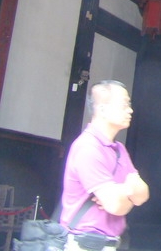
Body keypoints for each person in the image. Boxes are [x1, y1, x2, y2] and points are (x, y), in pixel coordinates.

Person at [60, 80, 150, 251]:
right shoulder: (88, 147)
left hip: (111, 243)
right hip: (85, 244)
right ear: (102, 109)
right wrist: (128, 190)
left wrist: (120, 191)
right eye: (124, 105)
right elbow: (115, 205)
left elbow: (143, 195)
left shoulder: (119, 149)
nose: (130, 110)